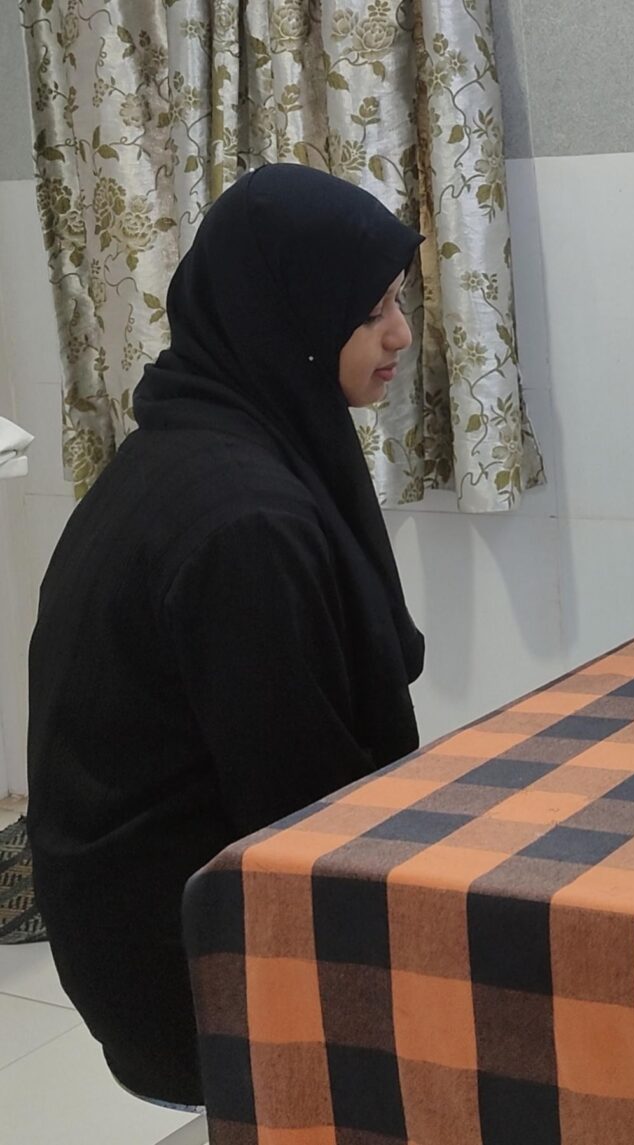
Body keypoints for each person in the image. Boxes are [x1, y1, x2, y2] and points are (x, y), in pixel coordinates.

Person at [27, 164, 425, 1105]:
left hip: (149, 915)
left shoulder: (198, 441)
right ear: (291, 318)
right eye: (371, 310)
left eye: (398, 301)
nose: (401, 334)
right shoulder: (244, 522)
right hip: (181, 970)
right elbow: (304, 811)